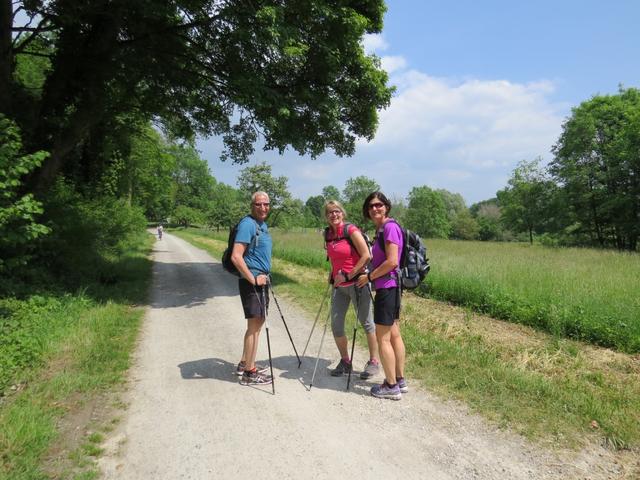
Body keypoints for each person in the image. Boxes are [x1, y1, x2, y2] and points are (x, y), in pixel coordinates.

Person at [356, 192, 407, 400]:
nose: (375, 209)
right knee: (394, 335)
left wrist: (369, 277)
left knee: (383, 338)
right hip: (391, 287)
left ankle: (391, 386)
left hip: (387, 287)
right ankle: (399, 380)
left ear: (386, 206)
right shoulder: (382, 229)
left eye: (379, 205)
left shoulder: (389, 228)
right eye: (371, 206)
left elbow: (392, 261)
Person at [323, 201, 380, 379]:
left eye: (337, 211)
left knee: (366, 322)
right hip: (339, 287)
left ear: (342, 213)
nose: (334, 215)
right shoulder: (327, 234)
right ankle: (345, 361)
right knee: (336, 325)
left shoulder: (351, 230)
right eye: (330, 212)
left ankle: (373, 362)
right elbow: (334, 258)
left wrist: (349, 275)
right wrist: (332, 273)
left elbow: (366, 256)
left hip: (358, 284)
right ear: (326, 216)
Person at [230, 192, 273, 386]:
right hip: (252, 282)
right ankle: (250, 372)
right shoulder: (248, 224)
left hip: (261, 281)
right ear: (252, 205)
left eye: (266, 204)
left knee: (257, 323)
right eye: (258, 204)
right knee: (254, 326)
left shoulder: (261, 225)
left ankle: (245, 363)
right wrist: (253, 279)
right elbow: (236, 256)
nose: (263, 207)